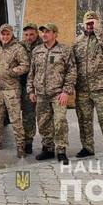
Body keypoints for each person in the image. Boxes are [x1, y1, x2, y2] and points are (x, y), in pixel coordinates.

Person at [73, 10, 103, 161]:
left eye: (93, 23)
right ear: (83, 23)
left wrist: (99, 29)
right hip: (82, 88)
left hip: (100, 87)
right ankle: (87, 147)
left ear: (98, 23)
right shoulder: (77, 41)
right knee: (84, 119)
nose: (90, 25)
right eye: (87, 23)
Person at [27, 23, 76, 164]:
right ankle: (48, 149)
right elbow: (32, 73)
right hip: (41, 94)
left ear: (55, 34)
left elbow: (72, 72)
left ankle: (61, 151)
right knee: (43, 123)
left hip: (58, 94)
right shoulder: (37, 51)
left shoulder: (64, 51)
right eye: (43, 32)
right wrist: (31, 90)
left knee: (60, 121)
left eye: (47, 32)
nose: (44, 34)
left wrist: (66, 91)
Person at [0, 23, 29, 158]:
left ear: (11, 34)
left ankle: (21, 147)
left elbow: (25, 65)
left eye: (7, 34)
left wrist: (11, 72)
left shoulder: (18, 49)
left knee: (15, 119)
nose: (4, 36)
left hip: (11, 89)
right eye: (2, 34)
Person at [19, 23, 43, 154]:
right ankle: (28, 142)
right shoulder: (20, 45)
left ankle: (48, 144)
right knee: (28, 114)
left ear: (36, 34)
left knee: (44, 116)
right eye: (26, 35)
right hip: (25, 86)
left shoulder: (43, 45)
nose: (29, 37)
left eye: (31, 34)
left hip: (41, 85)